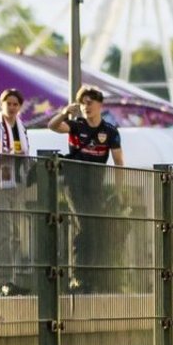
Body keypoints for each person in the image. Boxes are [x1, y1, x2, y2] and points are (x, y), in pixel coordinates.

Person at [47, 87, 125, 293]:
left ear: (100, 105)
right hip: (75, 182)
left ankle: (96, 276)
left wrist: (119, 191)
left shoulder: (110, 131)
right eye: (83, 103)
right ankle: (78, 276)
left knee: (97, 228)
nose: (86, 106)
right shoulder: (76, 125)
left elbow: (119, 161)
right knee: (83, 225)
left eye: (90, 102)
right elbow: (52, 126)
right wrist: (64, 112)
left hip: (95, 185)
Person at [0, 88, 35, 297]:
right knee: (1, 233)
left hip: (16, 184)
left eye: (15, 104)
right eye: (8, 103)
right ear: (1, 105)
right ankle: (3, 280)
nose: (11, 108)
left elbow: (26, 154)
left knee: (15, 234)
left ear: (19, 107)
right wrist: (4, 155)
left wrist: (18, 155)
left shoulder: (22, 128)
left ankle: (13, 278)